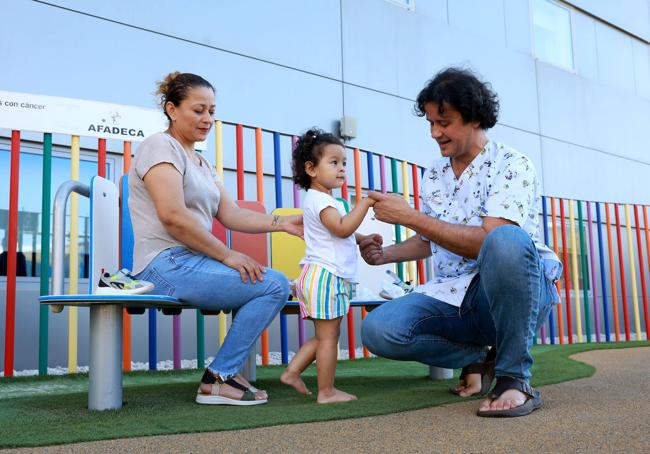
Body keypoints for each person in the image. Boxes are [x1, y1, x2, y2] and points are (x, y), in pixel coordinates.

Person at [359, 67, 562, 417]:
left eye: (445, 121)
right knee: (378, 329)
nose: (435, 132)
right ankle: (484, 359)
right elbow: (431, 238)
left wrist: (409, 215)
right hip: (453, 294)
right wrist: (385, 254)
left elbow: (489, 241)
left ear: (474, 118)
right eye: (430, 123)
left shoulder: (513, 163)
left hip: (512, 293)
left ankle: (514, 378)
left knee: (505, 239)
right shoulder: (435, 173)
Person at [129, 71, 303, 406]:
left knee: (274, 283)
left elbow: (232, 214)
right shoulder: (158, 146)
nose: (207, 118)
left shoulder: (203, 164)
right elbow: (173, 217)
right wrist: (227, 256)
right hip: (163, 263)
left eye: (211, 111)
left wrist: (282, 223)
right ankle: (218, 378)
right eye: (198, 110)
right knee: (273, 284)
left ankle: (221, 376)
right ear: (171, 109)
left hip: (192, 261)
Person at [280, 129, 375, 403]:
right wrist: (366, 203)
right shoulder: (321, 200)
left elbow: (339, 233)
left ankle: (293, 372)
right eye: (334, 163)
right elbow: (342, 228)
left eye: (343, 163)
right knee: (328, 338)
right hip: (325, 277)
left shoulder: (327, 200)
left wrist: (364, 238)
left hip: (325, 276)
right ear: (311, 169)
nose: (342, 169)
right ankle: (326, 392)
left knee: (326, 336)